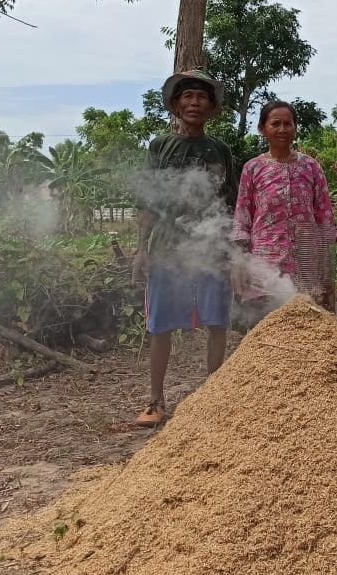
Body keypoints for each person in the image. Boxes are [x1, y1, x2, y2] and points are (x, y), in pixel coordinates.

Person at [131, 70, 238, 427]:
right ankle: (156, 401)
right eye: (187, 97)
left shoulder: (221, 150)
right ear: (176, 106)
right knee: (159, 325)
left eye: (201, 98)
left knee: (216, 322)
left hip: (211, 246)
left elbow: (230, 205)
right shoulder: (160, 146)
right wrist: (141, 250)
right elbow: (147, 202)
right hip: (167, 247)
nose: (194, 103)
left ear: (211, 108)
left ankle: (214, 397)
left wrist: (231, 251)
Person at [232, 100, 337, 312]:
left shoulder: (311, 166)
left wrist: (327, 272)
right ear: (262, 129)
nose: (282, 129)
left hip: (306, 263)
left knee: (307, 329)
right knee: (267, 330)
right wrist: (240, 262)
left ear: (295, 128)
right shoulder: (252, 168)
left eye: (288, 123)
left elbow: (325, 216)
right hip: (265, 265)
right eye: (275, 124)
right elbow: (242, 217)